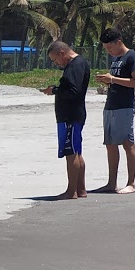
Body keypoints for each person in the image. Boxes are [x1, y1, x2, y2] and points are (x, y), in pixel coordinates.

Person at [42, 40, 90, 199]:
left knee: (71, 153)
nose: (56, 64)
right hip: (74, 114)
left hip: (70, 115)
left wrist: (55, 90)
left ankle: (72, 191)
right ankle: (80, 189)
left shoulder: (75, 65)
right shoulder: (78, 64)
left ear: (62, 53)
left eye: (55, 60)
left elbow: (73, 91)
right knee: (76, 151)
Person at [96, 29, 135, 193]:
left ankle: (131, 183)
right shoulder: (116, 59)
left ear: (118, 42)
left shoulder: (132, 56)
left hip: (125, 105)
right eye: (106, 48)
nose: (109, 51)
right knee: (110, 144)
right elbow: (117, 80)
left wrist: (113, 79)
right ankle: (111, 183)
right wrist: (107, 80)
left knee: (127, 142)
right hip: (111, 104)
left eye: (110, 47)